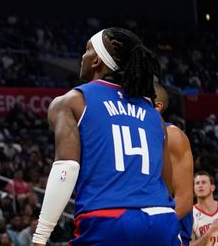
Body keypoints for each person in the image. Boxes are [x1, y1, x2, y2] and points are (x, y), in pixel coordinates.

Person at [32, 28, 178, 246]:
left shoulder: (73, 101)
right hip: (161, 220)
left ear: (96, 61)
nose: (83, 56)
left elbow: (67, 168)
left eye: (87, 50)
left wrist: (40, 237)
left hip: (109, 218)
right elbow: (167, 184)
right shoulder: (152, 112)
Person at [154, 83, 194, 245]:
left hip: (169, 233)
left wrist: (154, 229)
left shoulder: (173, 135)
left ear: (157, 107)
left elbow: (184, 202)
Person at [192, 172, 218, 246]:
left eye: (204, 182)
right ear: (194, 189)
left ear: (212, 187)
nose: (200, 185)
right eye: (197, 183)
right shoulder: (191, 214)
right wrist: (210, 232)